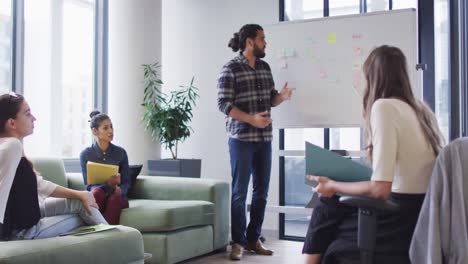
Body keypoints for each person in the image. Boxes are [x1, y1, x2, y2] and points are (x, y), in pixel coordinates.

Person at [302, 45, 444, 264]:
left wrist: (332, 185)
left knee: (326, 201)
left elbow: (380, 189)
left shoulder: (384, 107)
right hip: (421, 214)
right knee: (329, 201)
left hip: (397, 217)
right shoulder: (420, 110)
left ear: (373, 78)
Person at [217, 23, 294, 261]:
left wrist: (281, 97)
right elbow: (224, 104)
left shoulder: (264, 67)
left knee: (261, 192)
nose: (265, 42)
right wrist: (250, 119)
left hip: (264, 139)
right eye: (262, 39)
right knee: (240, 193)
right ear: (249, 42)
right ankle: (237, 243)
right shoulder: (230, 69)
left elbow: (270, 99)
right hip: (241, 139)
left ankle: (253, 239)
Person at [0, 93, 107, 240]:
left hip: (30, 215)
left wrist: (80, 194)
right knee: (85, 213)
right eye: (27, 114)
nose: (34, 118)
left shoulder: (10, 146)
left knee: (82, 202)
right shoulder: (11, 146)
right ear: (12, 123)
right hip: (23, 232)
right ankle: (125, 247)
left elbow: (40, 185)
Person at [80, 111, 130, 225]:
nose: (111, 131)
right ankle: (96, 230)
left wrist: (121, 190)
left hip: (117, 196)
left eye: (111, 127)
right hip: (99, 194)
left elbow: (127, 181)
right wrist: (107, 186)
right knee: (96, 193)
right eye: (106, 128)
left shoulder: (120, 153)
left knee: (113, 200)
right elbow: (88, 186)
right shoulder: (86, 154)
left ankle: (106, 235)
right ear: (95, 131)